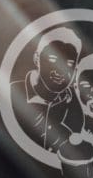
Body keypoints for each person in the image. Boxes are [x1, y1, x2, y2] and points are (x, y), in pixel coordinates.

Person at [11, 25, 83, 157]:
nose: (60, 70)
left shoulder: (76, 110)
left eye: (70, 64)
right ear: (37, 59)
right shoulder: (9, 95)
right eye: (52, 59)